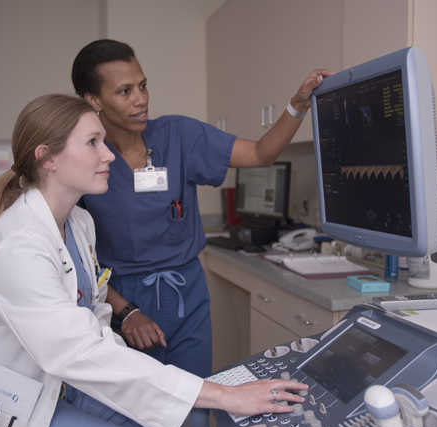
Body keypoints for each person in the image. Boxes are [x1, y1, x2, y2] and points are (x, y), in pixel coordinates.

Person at [0, 94, 308, 427]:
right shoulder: (17, 247)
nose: (109, 154)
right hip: (15, 409)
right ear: (47, 158)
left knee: (188, 424)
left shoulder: (79, 223)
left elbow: (96, 325)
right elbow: (77, 352)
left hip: (65, 386)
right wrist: (224, 394)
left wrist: (185, 393)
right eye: (93, 143)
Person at [71, 39, 333, 378]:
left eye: (143, 85)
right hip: (122, 299)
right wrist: (127, 312)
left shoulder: (179, 135)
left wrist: (298, 105)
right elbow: (77, 257)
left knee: (196, 402)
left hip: (187, 293)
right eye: (124, 91)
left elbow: (259, 155)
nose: (141, 99)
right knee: (143, 415)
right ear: (94, 100)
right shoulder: (86, 158)